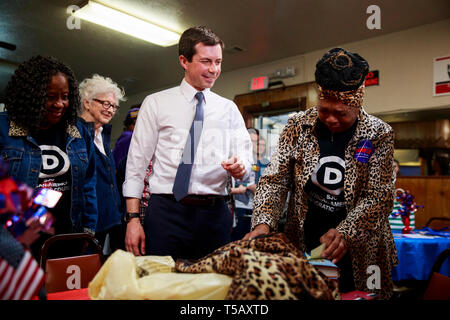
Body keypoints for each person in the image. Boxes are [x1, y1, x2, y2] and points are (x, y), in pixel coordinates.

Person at [244, 48, 398, 299]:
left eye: (341, 113)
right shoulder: (297, 125)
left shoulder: (378, 133)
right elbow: (275, 180)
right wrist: (263, 222)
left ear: (357, 104)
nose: (331, 119)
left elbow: (379, 196)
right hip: (306, 239)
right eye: (324, 110)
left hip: (360, 247)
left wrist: (347, 231)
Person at [123, 26, 253, 260]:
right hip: (166, 212)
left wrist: (240, 167)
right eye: (206, 61)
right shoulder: (155, 103)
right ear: (184, 61)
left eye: (218, 62)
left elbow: (244, 161)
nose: (214, 70)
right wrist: (133, 220)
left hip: (215, 214)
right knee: (163, 288)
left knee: (213, 288)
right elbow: (135, 167)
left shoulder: (228, 109)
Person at [0, 55, 98, 259]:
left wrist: (87, 231)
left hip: (66, 237)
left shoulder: (77, 131)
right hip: (16, 240)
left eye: (65, 96)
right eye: (51, 97)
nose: (60, 104)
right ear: (31, 96)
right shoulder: (4, 128)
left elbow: (88, 185)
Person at [79, 74, 126, 254]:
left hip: (110, 221)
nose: (110, 109)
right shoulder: (77, 134)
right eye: (105, 103)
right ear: (87, 103)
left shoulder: (102, 136)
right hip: (90, 224)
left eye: (113, 106)